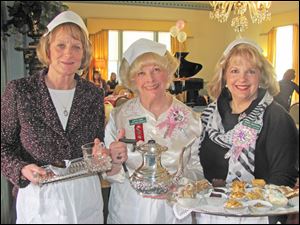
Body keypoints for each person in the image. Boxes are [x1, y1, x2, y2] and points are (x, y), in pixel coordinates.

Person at [1, 11, 106, 223]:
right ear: (47, 49)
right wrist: (21, 169)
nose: (68, 53)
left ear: (84, 53)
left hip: (84, 193)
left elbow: (96, 142)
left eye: (77, 46)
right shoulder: (21, 91)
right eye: (61, 45)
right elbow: (3, 144)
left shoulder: (93, 94)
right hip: (39, 194)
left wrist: (100, 152)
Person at [196, 38, 299, 224]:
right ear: (224, 75)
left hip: (256, 215)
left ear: (262, 76)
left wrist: (250, 209)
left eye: (251, 71)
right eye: (235, 71)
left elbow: (284, 177)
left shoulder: (276, 117)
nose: (242, 79)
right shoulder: (209, 116)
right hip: (209, 213)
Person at [103, 38, 203, 224]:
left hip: (173, 210)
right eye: (141, 73)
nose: (150, 79)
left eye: (156, 70)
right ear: (132, 79)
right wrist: (114, 163)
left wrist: (179, 186)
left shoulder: (191, 119)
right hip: (129, 209)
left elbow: (197, 169)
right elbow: (110, 173)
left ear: (168, 72)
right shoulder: (119, 117)